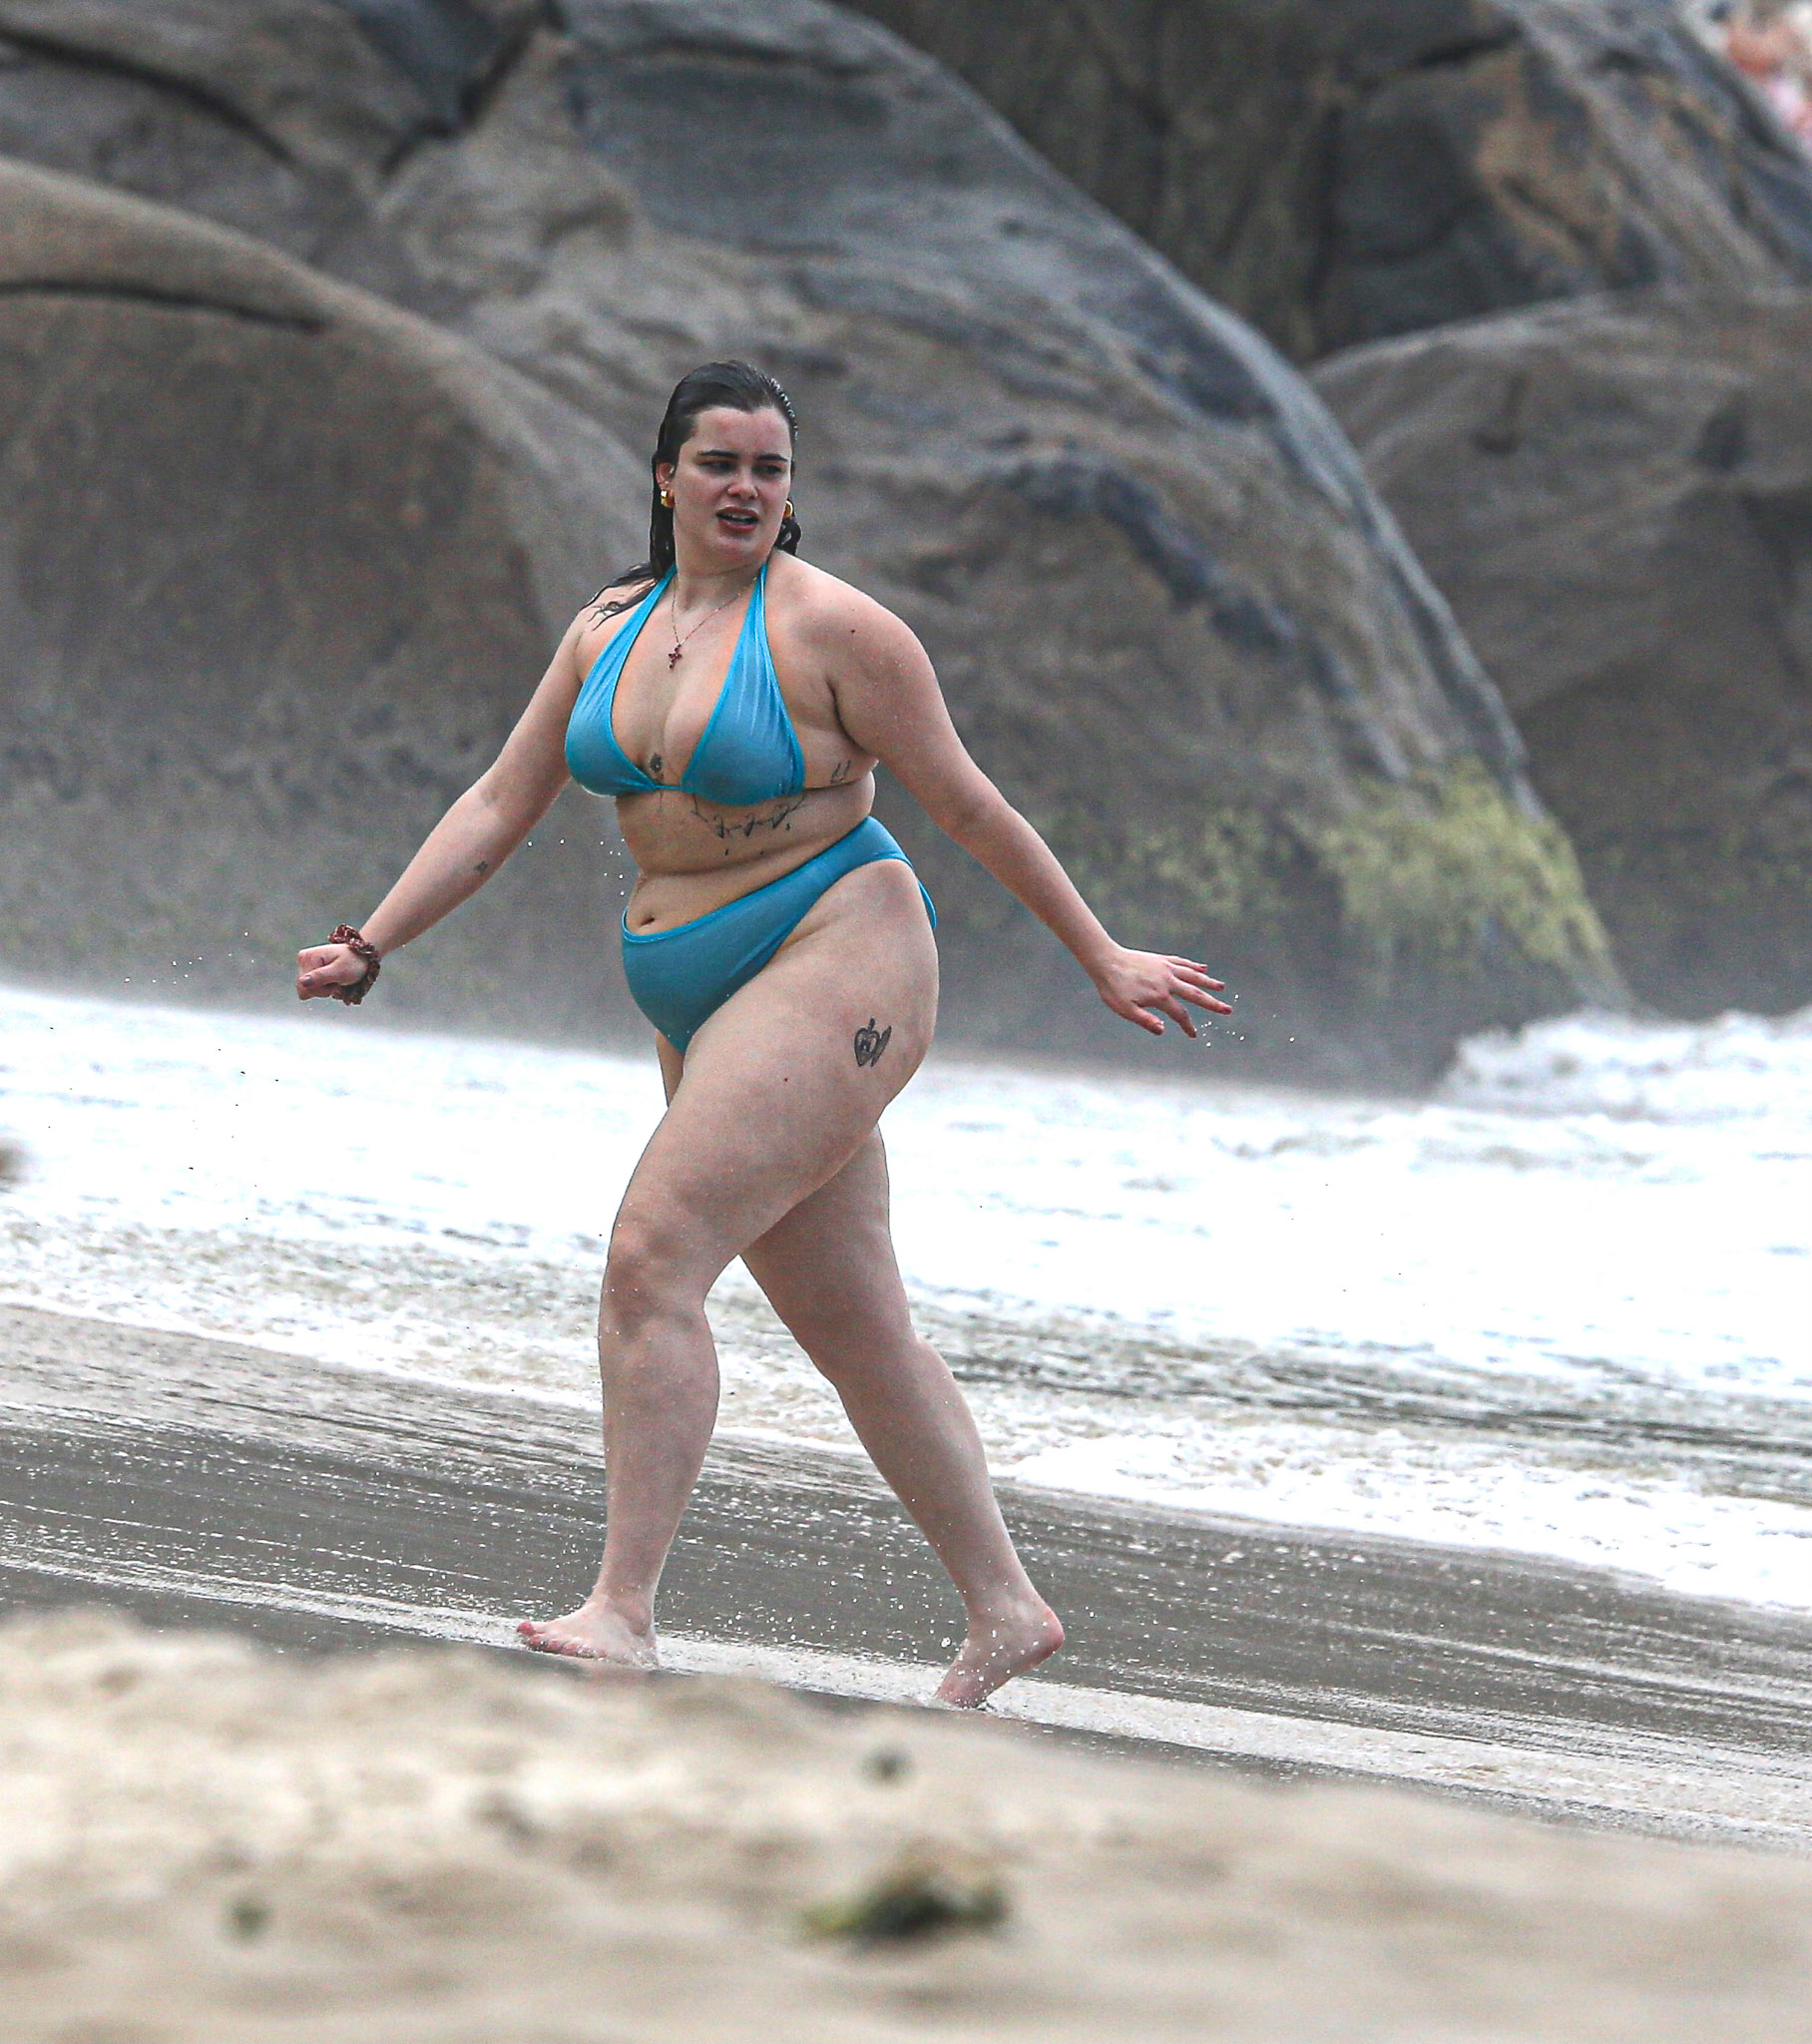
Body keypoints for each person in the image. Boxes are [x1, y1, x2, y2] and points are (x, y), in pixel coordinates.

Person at [296, 360, 1230, 1707]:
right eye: (722, 462)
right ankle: (1007, 1605)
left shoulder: (840, 633)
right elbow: (498, 805)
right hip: (698, 988)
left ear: (792, 491)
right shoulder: (605, 630)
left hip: (838, 952)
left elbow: (967, 804)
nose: (746, 487)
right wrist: (376, 940)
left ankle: (623, 1607)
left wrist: (1102, 955)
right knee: (855, 1326)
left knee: (650, 1256)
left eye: (771, 468)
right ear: (666, 475)